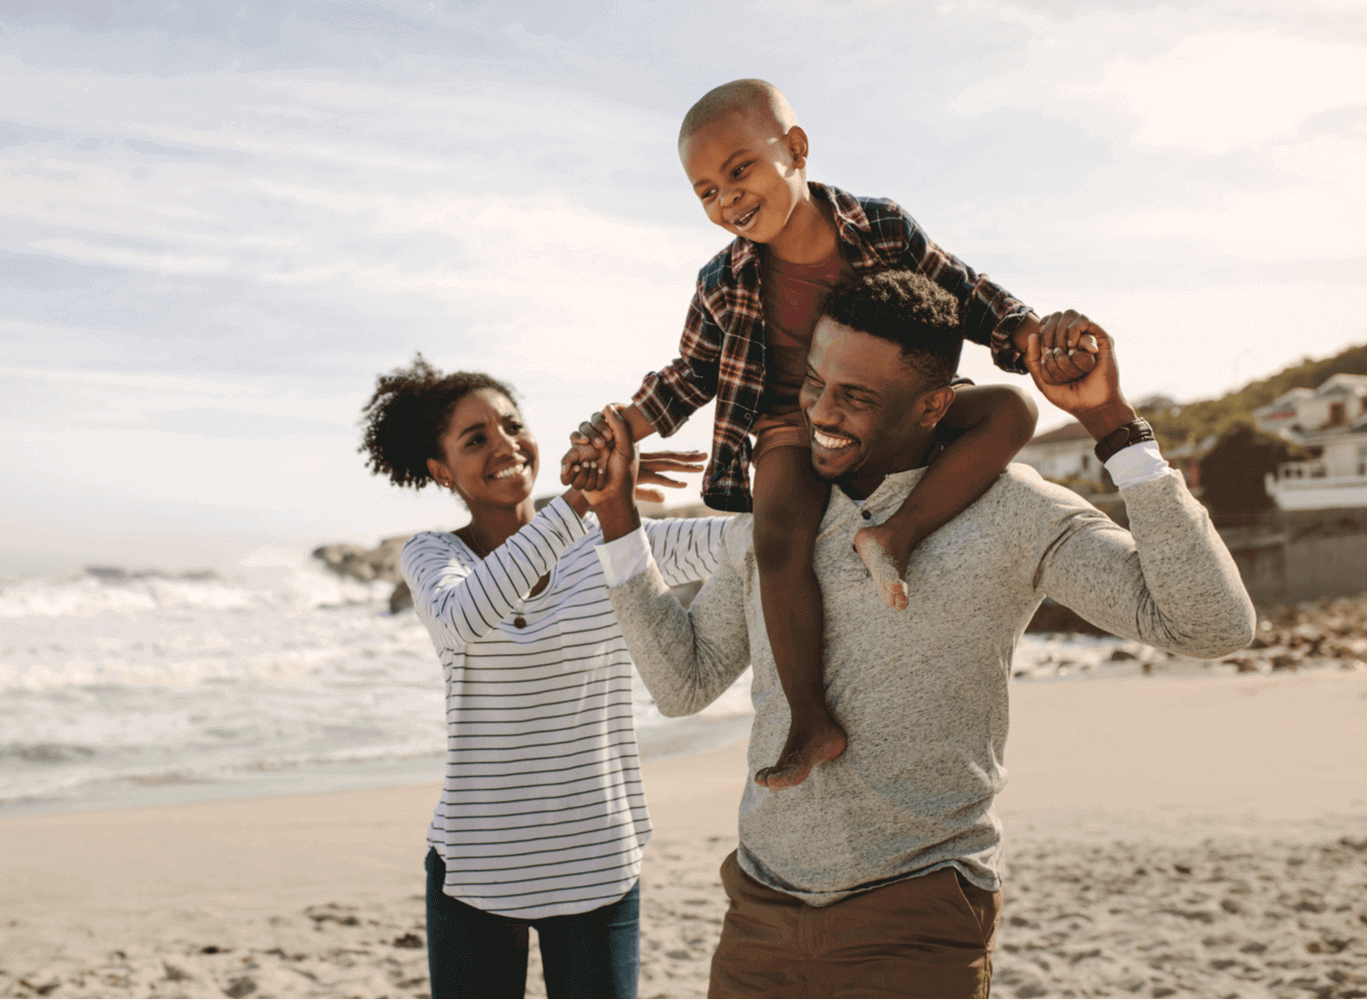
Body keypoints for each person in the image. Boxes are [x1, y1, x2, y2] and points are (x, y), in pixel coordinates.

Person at [580, 272, 1256, 998]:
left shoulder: (1012, 512)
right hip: (761, 912)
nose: (821, 413)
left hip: (918, 917)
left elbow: (1211, 624)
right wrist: (618, 518)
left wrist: (1112, 424)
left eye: (857, 398)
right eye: (814, 383)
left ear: (935, 405)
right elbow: (683, 684)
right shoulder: (780, 520)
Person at [566, 78, 1096, 791]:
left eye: (739, 171)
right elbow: (689, 374)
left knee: (1012, 413)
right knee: (777, 534)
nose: (727, 201)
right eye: (705, 193)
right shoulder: (722, 280)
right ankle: (810, 720)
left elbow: (969, 294)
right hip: (793, 424)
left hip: (893, 412)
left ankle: (896, 534)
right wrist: (621, 424)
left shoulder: (881, 228)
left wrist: (1032, 335)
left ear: (795, 149)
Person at [358, 356, 727, 1000]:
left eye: (511, 425)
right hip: (476, 869)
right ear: (441, 471)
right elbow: (464, 616)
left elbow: (745, 543)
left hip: (598, 863)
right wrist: (581, 502)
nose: (505, 445)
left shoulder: (611, 541)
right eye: (476, 439)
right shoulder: (432, 555)